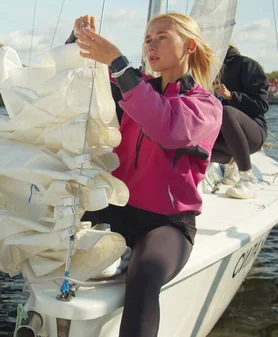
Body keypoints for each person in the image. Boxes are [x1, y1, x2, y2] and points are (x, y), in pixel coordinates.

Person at [66, 12, 223, 337]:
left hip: (166, 225)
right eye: (148, 39)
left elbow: (167, 126)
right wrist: (77, 38)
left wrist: (118, 62)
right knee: (52, 236)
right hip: (117, 209)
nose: (152, 44)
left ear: (189, 45)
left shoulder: (206, 106)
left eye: (162, 37)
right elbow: (81, 76)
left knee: (145, 275)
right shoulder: (135, 87)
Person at [211, 45, 270, 199]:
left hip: (253, 132)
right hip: (226, 137)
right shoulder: (208, 70)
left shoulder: (247, 65)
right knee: (187, 140)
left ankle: (247, 180)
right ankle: (231, 162)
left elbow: (261, 105)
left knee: (228, 112)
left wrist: (231, 96)